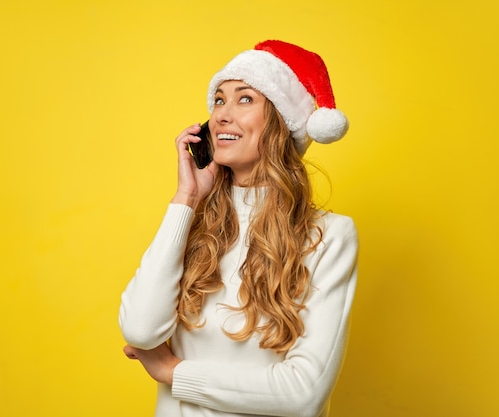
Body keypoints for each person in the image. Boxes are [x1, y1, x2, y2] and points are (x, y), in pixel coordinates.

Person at [119, 40, 358, 417]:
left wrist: (171, 371)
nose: (221, 116)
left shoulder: (329, 236)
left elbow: (303, 393)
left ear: (281, 121)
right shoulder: (190, 224)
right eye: (218, 100)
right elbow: (140, 330)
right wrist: (187, 197)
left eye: (245, 99)